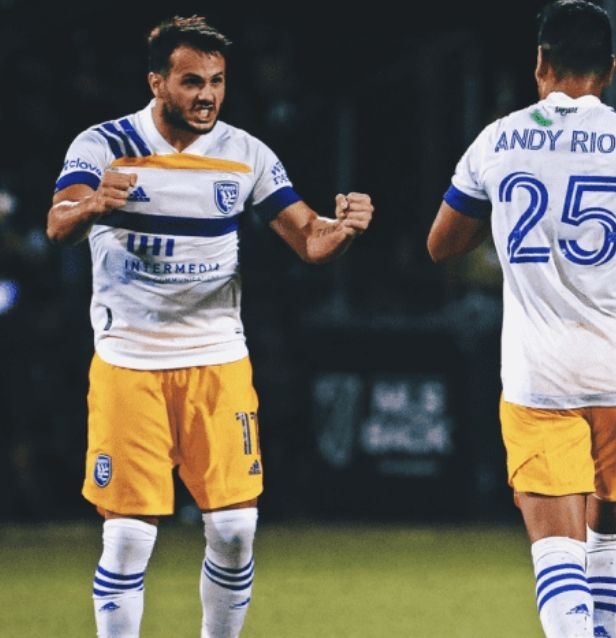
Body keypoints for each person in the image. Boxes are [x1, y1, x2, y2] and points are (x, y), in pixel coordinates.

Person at [46, 15, 373, 638]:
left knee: (234, 528)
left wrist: (345, 230)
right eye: (192, 81)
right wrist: (93, 204)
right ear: (157, 83)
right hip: (129, 362)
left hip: (217, 360)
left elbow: (309, 238)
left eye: (217, 81)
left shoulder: (244, 153)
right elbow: (58, 224)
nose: (207, 95)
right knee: (127, 538)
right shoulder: (104, 144)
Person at [427, 2, 616, 636]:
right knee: (613, 542)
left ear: (541, 62)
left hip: (538, 376)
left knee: (558, 553)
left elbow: (441, 244)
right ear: (610, 69)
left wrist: (510, 216)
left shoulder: (498, 137)